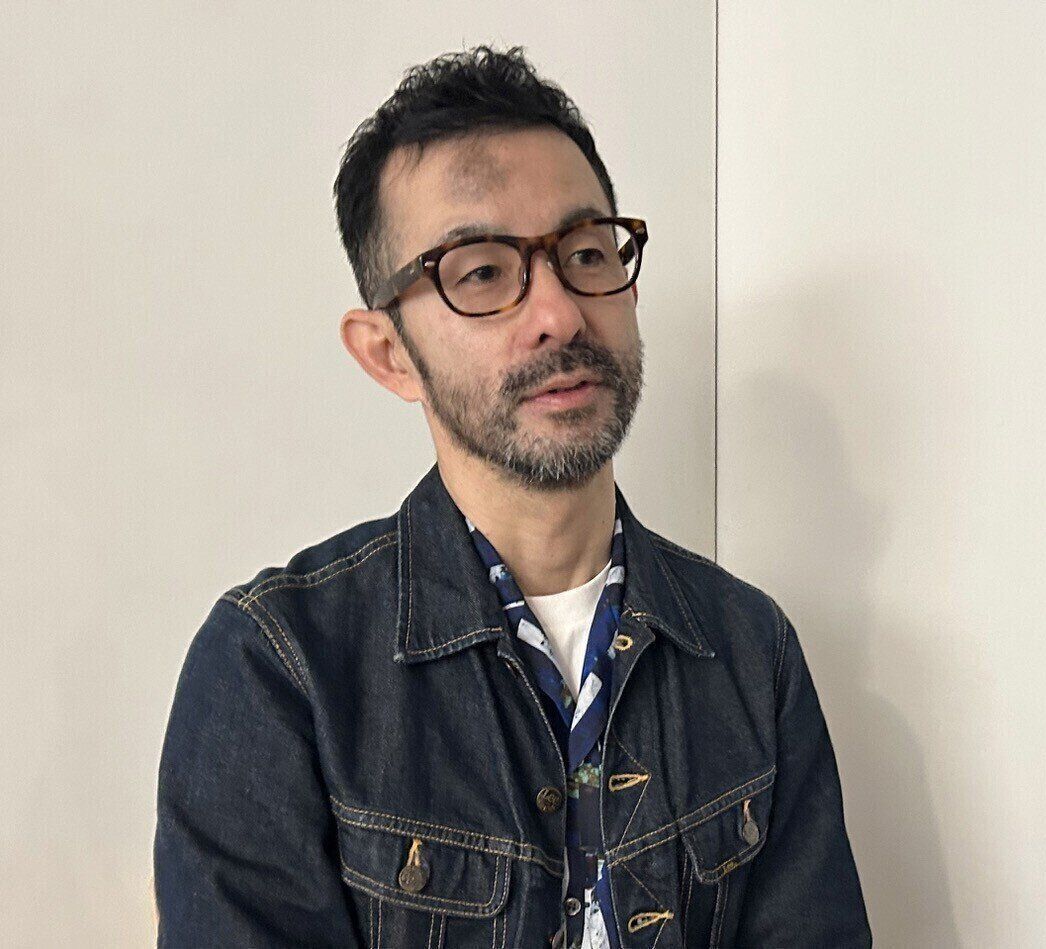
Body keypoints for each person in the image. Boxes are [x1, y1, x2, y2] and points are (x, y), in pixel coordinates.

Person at [153, 45, 872, 948]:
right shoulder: (282, 666)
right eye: (483, 272)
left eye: (586, 252)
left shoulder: (748, 648)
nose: (560, 314)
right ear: (389, 353)